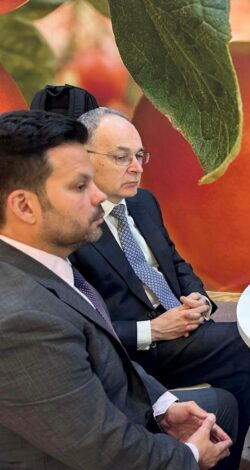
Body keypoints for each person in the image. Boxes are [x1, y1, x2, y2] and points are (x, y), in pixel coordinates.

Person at [0, 110, 235, 469]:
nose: (98, 196)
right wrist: (190, 456)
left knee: (221, 407)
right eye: (80, 186)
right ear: (24, 206)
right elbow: (103, 449)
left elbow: (105, 355)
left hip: (123, 403)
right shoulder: (21, 321)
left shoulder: (47, 260)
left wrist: (163, 407)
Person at [68, 107, 250, 467]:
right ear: (83, 157)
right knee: (249, 344)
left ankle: (220, 455)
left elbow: (176, 264)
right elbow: (81, 323)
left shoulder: (143, 202)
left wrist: (201, 298)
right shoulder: (72, 226)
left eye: (139, 156)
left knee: (246, 375)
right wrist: (151, 329)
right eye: (122, 157)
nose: (137, 167)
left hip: (184, 327)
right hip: (138, 351)